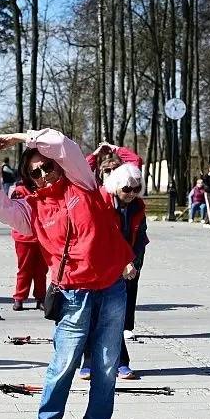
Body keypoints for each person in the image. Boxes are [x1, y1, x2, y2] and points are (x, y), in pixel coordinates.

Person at [0, 129, 133, 419]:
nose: (43, 175)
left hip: (111, 289)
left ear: (59, 167)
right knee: (64, 363)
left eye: (47, 167)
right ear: (29, 180)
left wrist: (19, 138)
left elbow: (62, 145)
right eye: (34, 173)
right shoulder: (31, 210)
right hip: (74, 295)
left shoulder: (83, 183)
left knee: (106, 366)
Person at [80, 163, 148, 381]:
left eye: (136, 189)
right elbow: (104, 237)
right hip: (98, 264)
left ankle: (121, 362)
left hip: (124, 268)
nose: (131, 194)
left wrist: (133, 263)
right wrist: (123, 261)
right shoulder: (102, 202)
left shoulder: (138, 207)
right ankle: (88, 362)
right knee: (93, 315)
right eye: (127, 189)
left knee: (115, 316)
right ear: (116, 186)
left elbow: (140, 239)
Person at [9, 168, 48, 311]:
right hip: (24, 238)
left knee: (41, 269)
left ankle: (41, 297)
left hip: (43, 236)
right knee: (24, 268)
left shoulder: (45, 189)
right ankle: (19, 297)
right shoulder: (20, 190)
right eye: (34, 174)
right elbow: (16, 210)